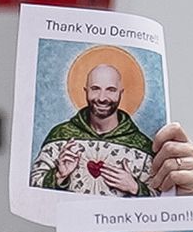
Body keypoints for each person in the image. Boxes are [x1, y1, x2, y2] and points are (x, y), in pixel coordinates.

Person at [31, 57, 155, 196]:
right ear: (85, 91)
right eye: (95, 89)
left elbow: (160, 201)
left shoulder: (142, 146)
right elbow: (32, 185)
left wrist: (135, 187)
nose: (102, 98)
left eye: (111, 90)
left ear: (121, 93)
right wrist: (58, 176)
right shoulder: (61, 136)